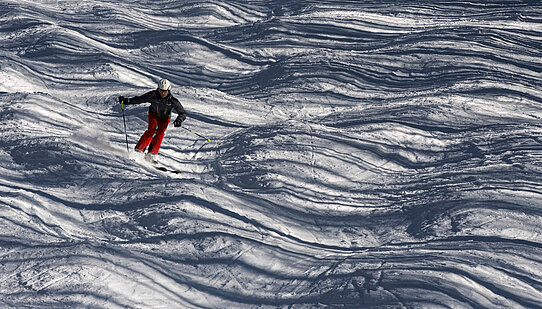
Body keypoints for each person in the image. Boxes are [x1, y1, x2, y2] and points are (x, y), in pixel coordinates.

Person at [118, 78, 186, 161]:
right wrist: (127, 101)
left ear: (169, 90)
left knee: (160, 132)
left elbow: (182, 113)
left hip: (165, 118)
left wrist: (179, 120)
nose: (163, 93)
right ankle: (139, 149)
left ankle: (152, 153)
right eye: (161, 90)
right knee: (152, 130)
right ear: (158, 89)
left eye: (165, 91)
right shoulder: (153, 95)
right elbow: (140, 99)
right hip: (153, 114)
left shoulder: (172, 100)